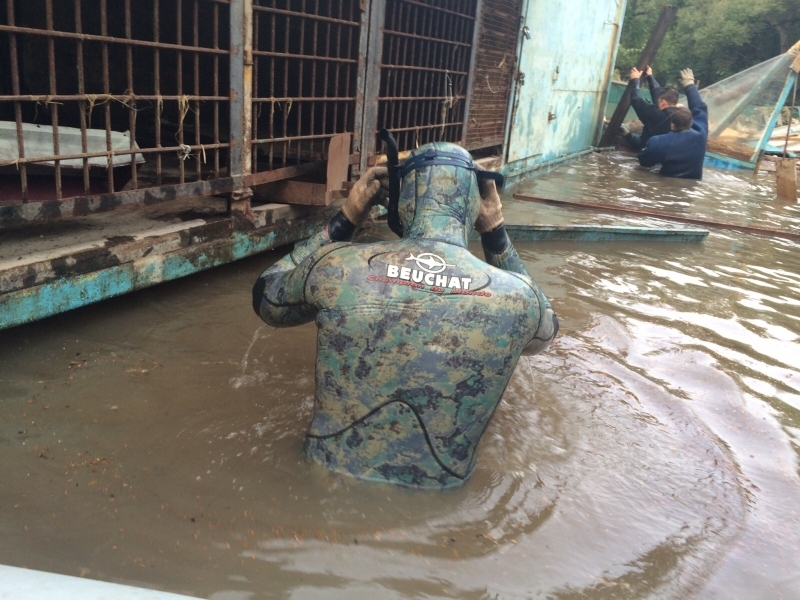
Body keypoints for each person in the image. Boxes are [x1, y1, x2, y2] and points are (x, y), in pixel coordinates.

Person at [252, 142, 558, 489]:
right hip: (441, 500)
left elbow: (267, 296)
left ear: (402, 200)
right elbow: (546, 329)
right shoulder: (519, 297)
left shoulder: (336, 265)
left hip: (324, 480)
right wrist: (496, 230)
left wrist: (347, 216)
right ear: (475, 203)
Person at [638, 68, 709, 180]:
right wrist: (690, 84)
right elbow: (700, 108)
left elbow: (644, 162)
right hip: (692, 187)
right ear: (691, 121)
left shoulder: (659, 142)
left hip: (665, 184)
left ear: (672, 125)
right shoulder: (701, 134)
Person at [621, 66, 679, 150]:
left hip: (650, 152)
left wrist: (635, 80)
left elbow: (636, 100)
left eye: (658, 102)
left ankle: (627, 134)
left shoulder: (656, 115)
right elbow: (658, 94)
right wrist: (650, 76)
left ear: (663, 103)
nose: (656, 103)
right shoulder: (680, 114)